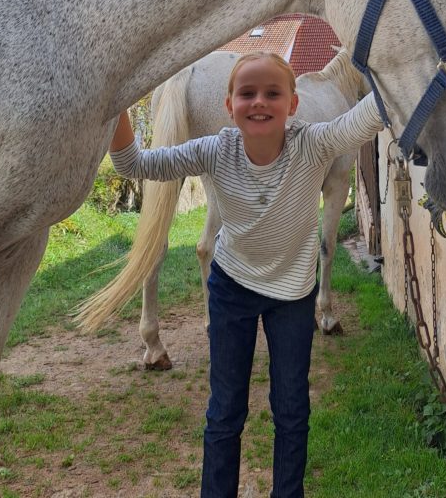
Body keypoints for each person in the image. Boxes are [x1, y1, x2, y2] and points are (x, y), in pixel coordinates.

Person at [109, 51, 384, 498]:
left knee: (293, 411)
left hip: (293, 298)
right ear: (229, 104)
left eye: (273, 93)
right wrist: (115, 95)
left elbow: (368, 115)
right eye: (247, 93)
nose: (260, 102)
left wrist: (410, 61)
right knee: (224, 412)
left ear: (293, 105)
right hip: (231, 291)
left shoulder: (314, 142)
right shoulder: (216, 149)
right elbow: (135, 165)